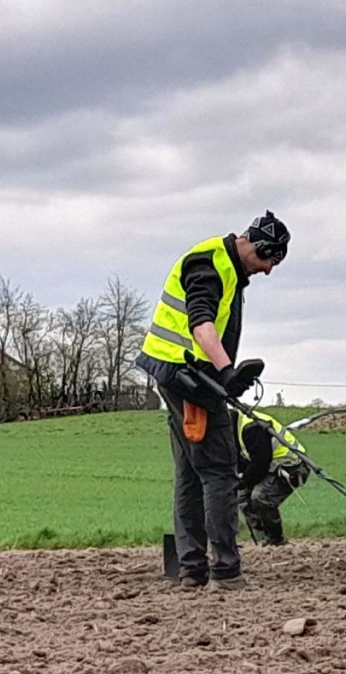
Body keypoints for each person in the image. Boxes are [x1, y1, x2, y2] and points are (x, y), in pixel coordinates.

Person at [136, 209, 290, 590]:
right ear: (255, 245)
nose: (269, 270)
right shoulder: (210, 264)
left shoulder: (226, 267)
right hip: (192, 379)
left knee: (190, 474)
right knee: (219, 472)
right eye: (269, 259)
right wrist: (226, 373)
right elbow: (201, 323)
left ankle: (191, 570)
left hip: (180, 375)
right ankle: (225, 570)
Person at [232, 406, 311, 546]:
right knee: (242, 498)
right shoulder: (236, 426)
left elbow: (260, 463)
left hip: (291, 465)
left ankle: (276, 541)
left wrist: (242, 482)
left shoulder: (251, 427)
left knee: (261, 497)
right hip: (270, 465)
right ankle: (263, 538)